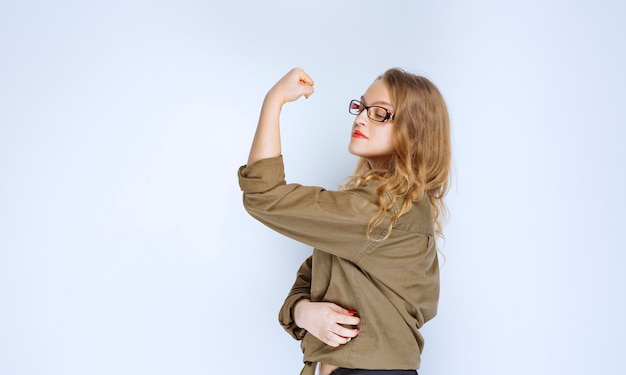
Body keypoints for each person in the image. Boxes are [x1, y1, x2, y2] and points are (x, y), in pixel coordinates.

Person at [238, 67, 451, 375]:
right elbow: (307, 282)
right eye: (361, 107)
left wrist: (274, 100)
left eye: (380, 113)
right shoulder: (371, 209)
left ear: (414, 131)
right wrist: (302, 311)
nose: (361, 118)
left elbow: (264, 195)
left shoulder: (383, 211)